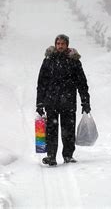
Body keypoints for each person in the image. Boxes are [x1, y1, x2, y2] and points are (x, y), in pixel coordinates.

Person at [36, 34, 91, 166]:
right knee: (51, 131)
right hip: (51, 102)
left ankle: (68, 155)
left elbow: (82, 83)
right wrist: (39, 103)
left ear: (67, 45)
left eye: (62, 44)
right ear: (55, 45)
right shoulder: (48, 60)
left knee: (68, 131)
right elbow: (41, 83)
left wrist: (85, 101)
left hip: (68, 103)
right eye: (58, 44)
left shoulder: (74, 61)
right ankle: (51, 156)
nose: (60, 46)